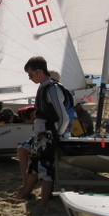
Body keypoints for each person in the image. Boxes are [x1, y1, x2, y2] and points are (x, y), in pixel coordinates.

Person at [14, 56, 70, 207]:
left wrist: (56, 136)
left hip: (48, 135)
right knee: (34, 166)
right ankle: (27, 193)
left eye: (30, 74)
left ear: (39, 71)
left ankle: (44, 202)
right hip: (41, 134)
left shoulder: (53, 89)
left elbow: (63, 117)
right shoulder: (43, 87)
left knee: (45, 169)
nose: (30, 78)